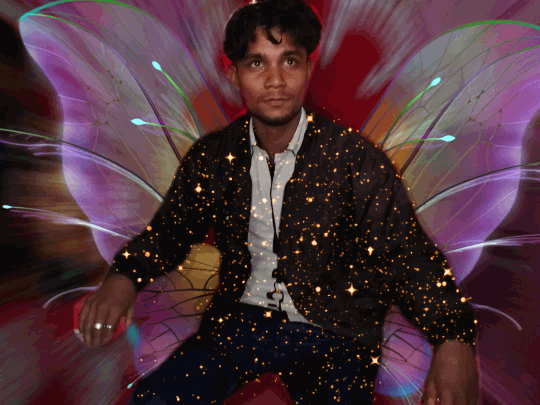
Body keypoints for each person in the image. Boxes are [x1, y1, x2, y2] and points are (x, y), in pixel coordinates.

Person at [78, 1, 479, 404]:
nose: (275, 80)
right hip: (238, 323)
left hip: (337, 330)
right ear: (235, 73)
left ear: (308, 69)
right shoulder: (214, 157)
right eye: (257, 63)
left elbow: (407, 255)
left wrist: (453, 338)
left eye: (289, 61)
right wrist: (124, 277)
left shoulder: (355, 159)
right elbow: (170, 232)